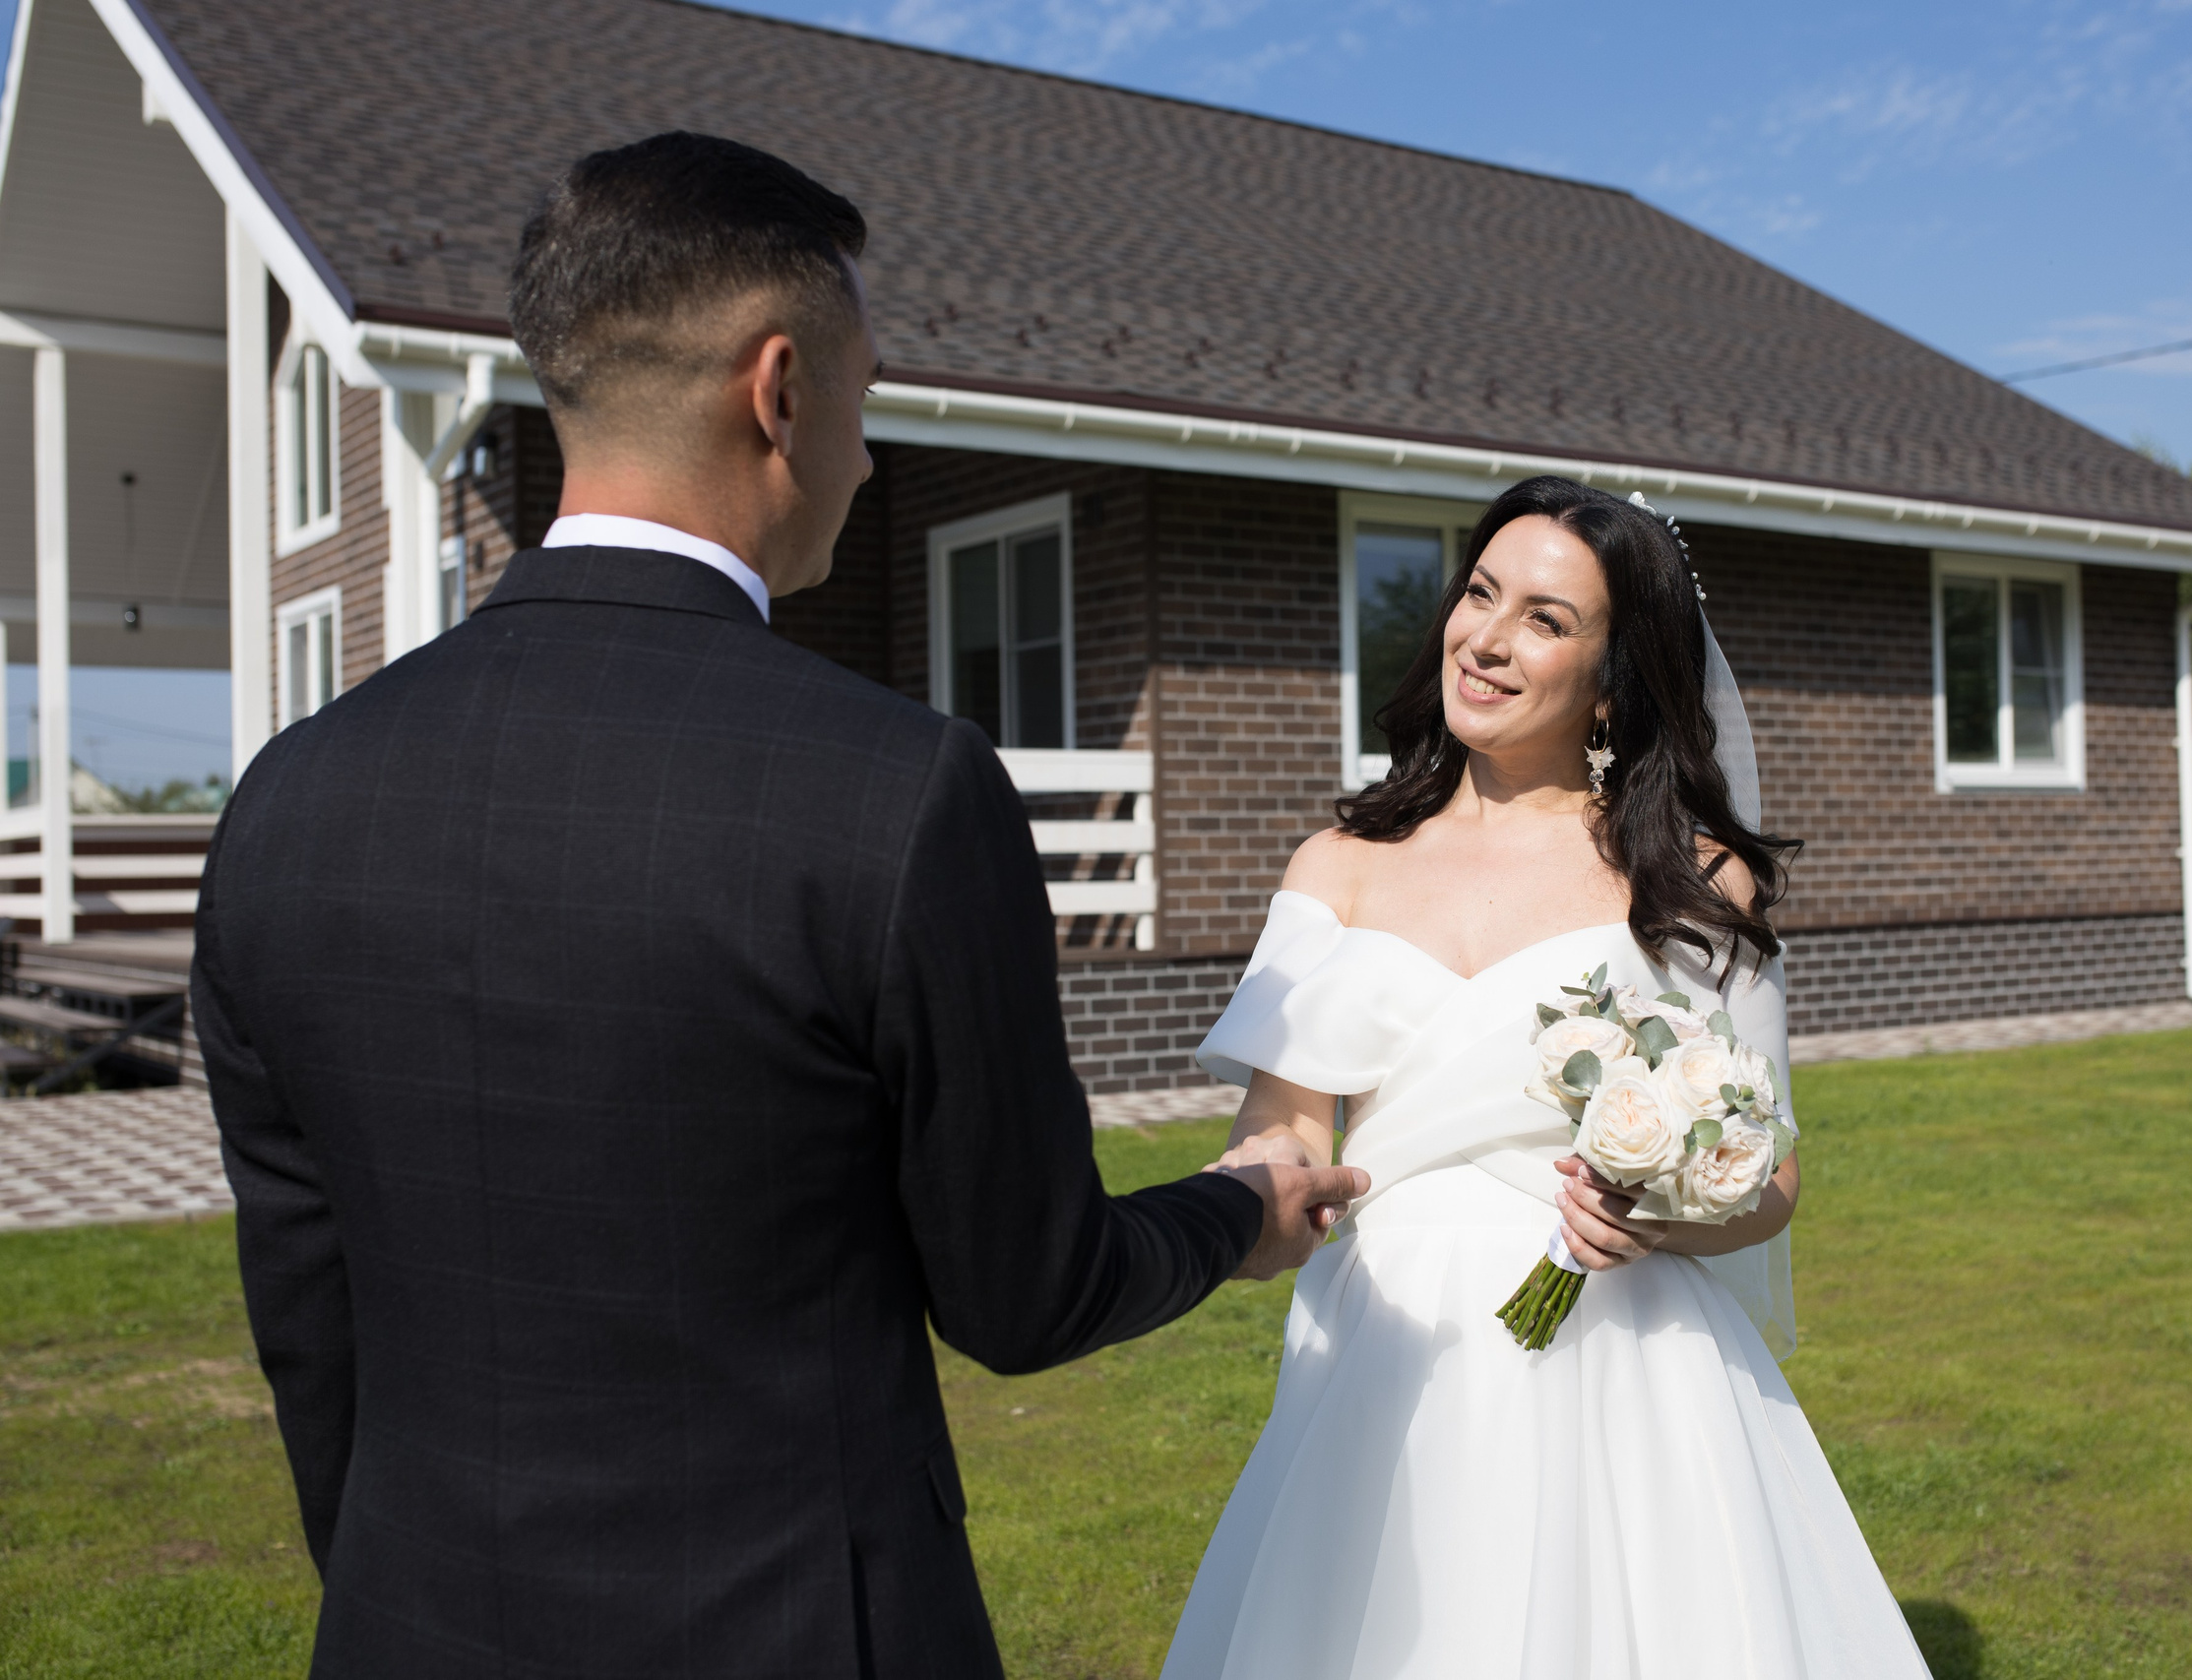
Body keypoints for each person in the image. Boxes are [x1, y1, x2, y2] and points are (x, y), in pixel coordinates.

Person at [195, 131, 1364, 1679]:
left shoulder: (285, 800)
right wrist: (1238, 1211)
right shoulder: (897, 788)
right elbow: (1025, 1289)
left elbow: (312, 1312)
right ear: (781, 389)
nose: (867, 461)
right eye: (865, 399)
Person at [1161, 475, 1932, 1679]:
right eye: (1479, 594)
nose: (1486, 638)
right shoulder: (1338, 867)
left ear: (1613, 680)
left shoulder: (1693, 882)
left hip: (1625, 1359)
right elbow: (1286, 1128)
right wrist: (1243, 1194)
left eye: (1544, 619)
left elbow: (1770, 1182)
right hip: (1386, 1349)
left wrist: (1658, 1215)